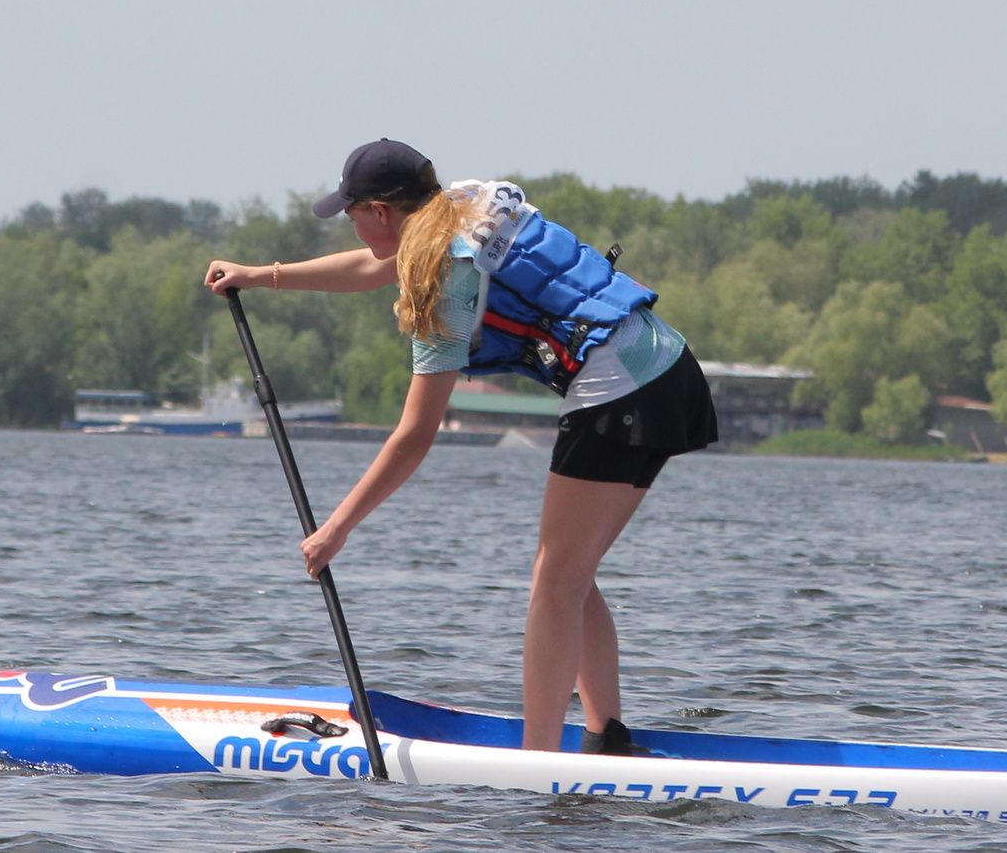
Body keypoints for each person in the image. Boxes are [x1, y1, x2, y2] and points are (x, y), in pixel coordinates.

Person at [203, 138, 717, 755]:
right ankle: (607, 736)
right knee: (569, 575)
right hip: (668, 367)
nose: (351, 224)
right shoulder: (460, 205)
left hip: (619, 390)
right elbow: (376, 266)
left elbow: (415, 435)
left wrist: (336, 528)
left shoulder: (445, 280)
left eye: (352, 213)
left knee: (555, 584)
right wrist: (262, 277)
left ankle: (540, 763)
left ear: (381, 213)